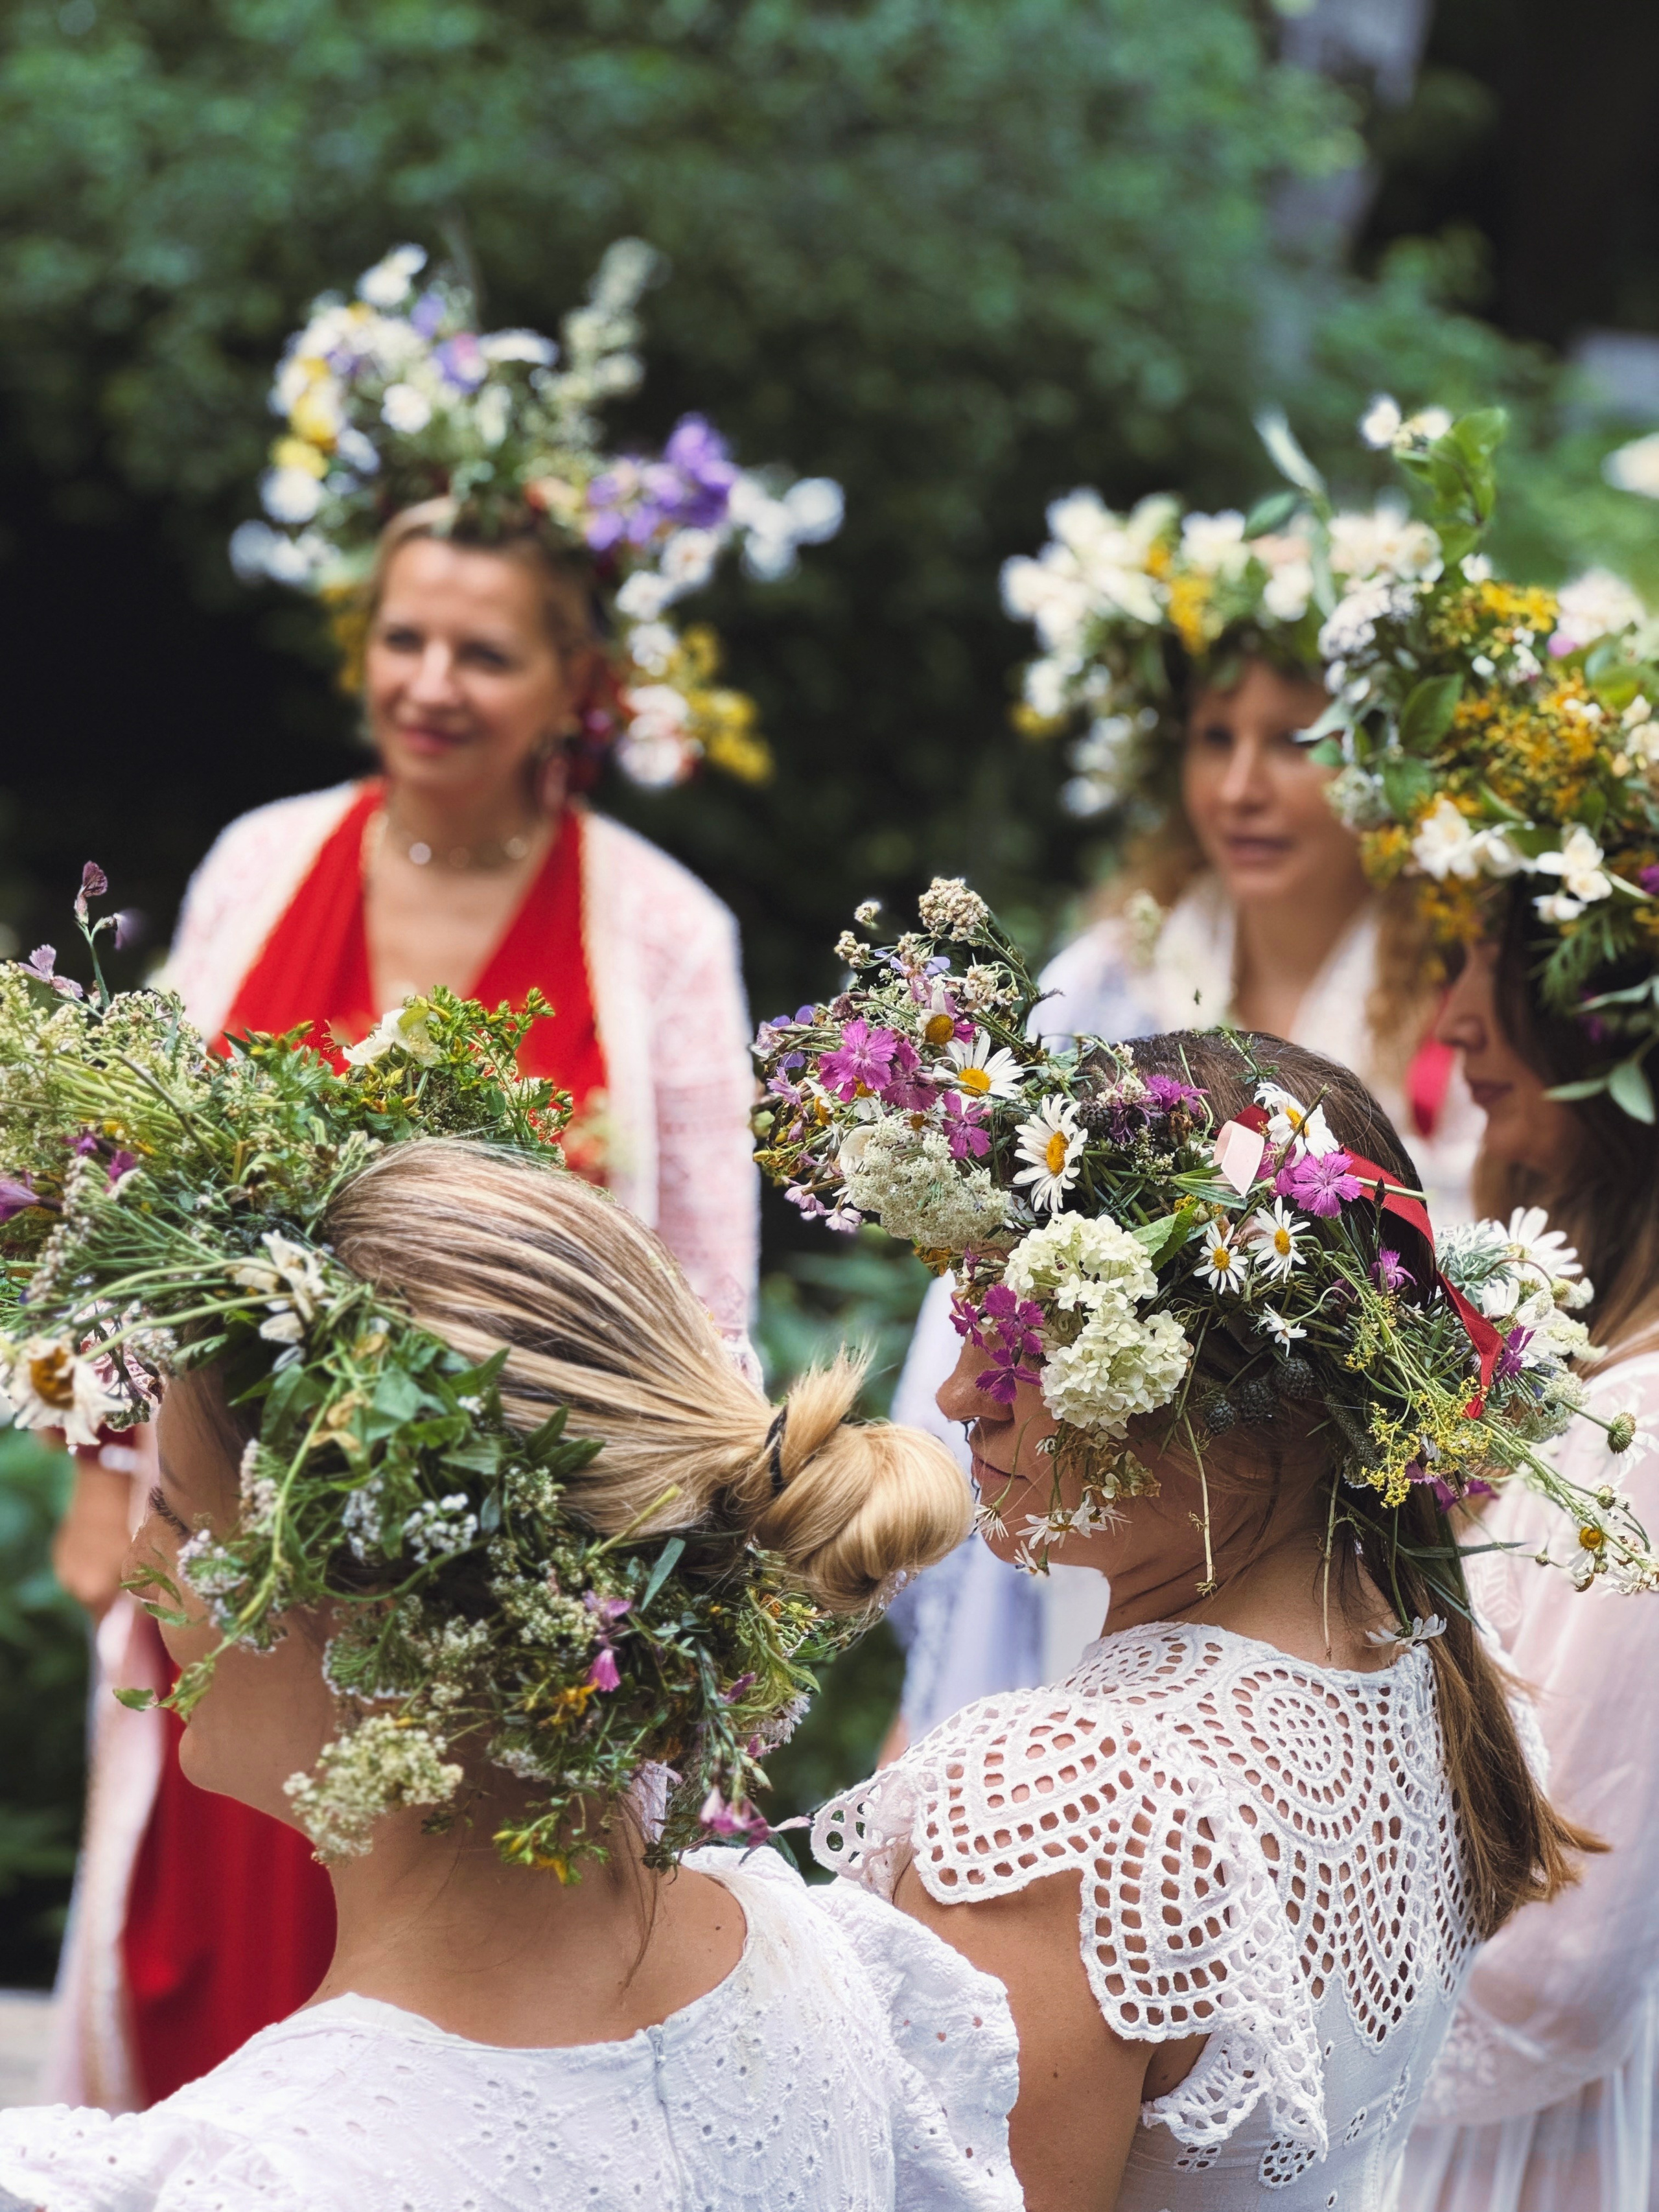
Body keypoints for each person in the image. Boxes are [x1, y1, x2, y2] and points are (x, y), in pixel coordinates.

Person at [45, 236, 842, 2110]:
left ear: (576, 680)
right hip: (233, 1533)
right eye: (404, 639)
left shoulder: (661, 927)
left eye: (484, 651)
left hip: (506, 1578)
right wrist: (95, 1472)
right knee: (204, 1959)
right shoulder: (262, 861)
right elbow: (117, 1189)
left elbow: (703, 1297)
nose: (431, 682)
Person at [0, 953, 1016, 2211]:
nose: (141, 1566)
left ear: (369, 1603)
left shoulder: (267, 2177)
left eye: (176, 1515)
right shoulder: (835, 1982)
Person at [756, 881, 1644, 2207]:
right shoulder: (1439, 1682)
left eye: (1028, 1335)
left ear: (1236, 1392)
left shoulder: (1058, 1805)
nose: (956, 1395)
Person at [886, 470, 1481, 1749]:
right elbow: (994, 1256)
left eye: (1295, 741)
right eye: (1215, 739)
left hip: (1335, 1534)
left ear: (1381, 764)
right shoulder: (1112, 976)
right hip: (1102, 1498)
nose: (1243, 786)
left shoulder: (1451, 1004)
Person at [1299, 408, 1659, 2211]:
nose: (1447, 1025)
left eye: (1489, 970)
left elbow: (1562, 1961)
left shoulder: (1646, 1440)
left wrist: (1242, 1996)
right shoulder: (1577, 1366)